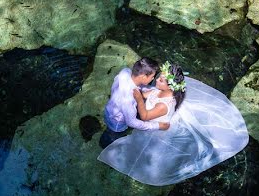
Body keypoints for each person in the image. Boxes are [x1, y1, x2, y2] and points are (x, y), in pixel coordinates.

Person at [98, 61, 249, 186]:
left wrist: (138, 100)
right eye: (158, 77)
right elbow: (148, 93)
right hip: (153, 115)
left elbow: (145, 116)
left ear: (170, 86)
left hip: (157, 126)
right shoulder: (158, 91)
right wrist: (137, 92)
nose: (156, 80)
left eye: (161, 80)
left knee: (148, 150)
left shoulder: (163, 105)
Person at [99, 57, 170, 150]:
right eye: (152, 76)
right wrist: (158, 125)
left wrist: (153, 91)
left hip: (110, 110)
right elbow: (132, 122)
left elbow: (137, 85)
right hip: (117, 123)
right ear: (143, 76)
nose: (153, 79)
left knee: (109, 130)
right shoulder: (128, 98)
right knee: (112, 137)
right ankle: (105, 146)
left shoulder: (125, 72)